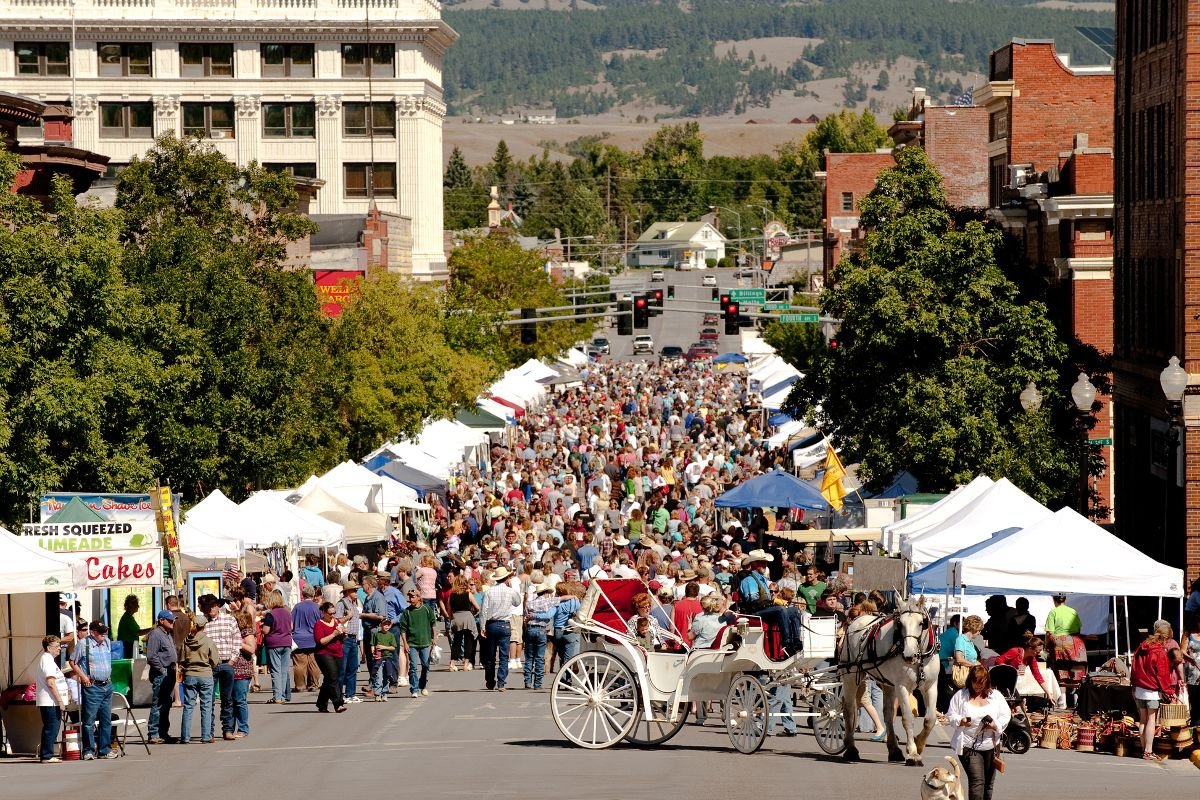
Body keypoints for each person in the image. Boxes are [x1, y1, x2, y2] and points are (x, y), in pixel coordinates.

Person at [946, 664, 1011, 800]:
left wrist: (995, 725)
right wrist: (961, 720)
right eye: (975, 683)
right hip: (969, 746)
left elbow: (1006, 715)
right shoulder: (961, 696)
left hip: (991, 746)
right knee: (977, 781)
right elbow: (951, 715)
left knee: (988, 784)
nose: (978, 686)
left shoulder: (996, 696)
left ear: (986, 681)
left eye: (981, 683)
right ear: (970, 680)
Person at [69, 620, 118, 760]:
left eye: (105, 631)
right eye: (100, 632)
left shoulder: (107, 642)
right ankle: (88, 750)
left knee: (106, 720)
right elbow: (73, 662)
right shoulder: (83, 644)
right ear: (92, 632)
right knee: (89, 721)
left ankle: (104, 750)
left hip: (107, 685)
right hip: (92, 686)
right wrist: (83, 676)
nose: (104, 634)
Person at [1130, 620, 1177, 761]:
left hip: (1139, 688)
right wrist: (1169, 691)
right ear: (1166, 638)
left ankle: (1144, 749)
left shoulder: (1142, 647)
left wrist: (1134, 684)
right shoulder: (1159, 652)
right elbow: (1162, 674)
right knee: (1151, 720)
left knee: (1142, 720)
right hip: (1152, 689)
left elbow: (1134, 666)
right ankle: (1148, 751)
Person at [200, 595, 240, 741]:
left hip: (226, 663)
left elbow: (237, 639)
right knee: (208, 700)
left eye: (212, 606)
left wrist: (232, 659)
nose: (210, 609)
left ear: (217, 606)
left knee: (227, 699)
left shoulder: (229, 620)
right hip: (209, 666)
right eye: (207, 607)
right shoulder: (203, 623)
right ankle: (208, 731)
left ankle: (227, 729)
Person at [479, 566, 522, 691]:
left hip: (491, 624)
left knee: (490, 655)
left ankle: (490, 680)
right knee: (504, 655)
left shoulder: (489, 592)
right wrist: (512, 588)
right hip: (505, 624)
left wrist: (482, 626)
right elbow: (517, 602)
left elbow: (483, 611)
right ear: (506, 578)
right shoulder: (510, 591)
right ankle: (501, 682)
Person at [179, 614, 218, 744]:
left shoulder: (186, 641)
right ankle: (206, 736)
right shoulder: (208, 641)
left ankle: (185, 737)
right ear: (204, 626)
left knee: (188, 706)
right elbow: (215, 660)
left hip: (190, 675)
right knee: (206, 706)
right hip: (205, 674)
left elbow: (182, 659)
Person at [145, 610, 178, 744]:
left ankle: (163, 732)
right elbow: (151, 656)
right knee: (158, 704)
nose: (172, 622)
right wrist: (162, 669)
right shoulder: (156, 634)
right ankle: (153, 733)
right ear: (161, 621)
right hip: (161, 674)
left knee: (166, 704)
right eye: (169, 620)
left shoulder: (168, 633)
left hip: (170, 672)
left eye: (172, 619)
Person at [35, 635, 67, 763]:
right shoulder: (47, 660)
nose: (59, 648)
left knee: (51, 727)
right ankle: (46, 755)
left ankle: (47, 754)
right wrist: (60, 701)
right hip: (50, 701)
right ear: (49, 648)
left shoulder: (48, 659)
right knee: (51, 727)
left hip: (50, 701)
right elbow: (51, 683)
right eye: (57, 646)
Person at [399, 588, 437, 698]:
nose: (410, 599)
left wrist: (434, 637)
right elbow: (403, 629)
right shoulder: (407, 612)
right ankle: (414, 688)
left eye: (413, 596)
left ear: (419, 598)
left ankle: (422, 685)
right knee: (413, 667)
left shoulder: (426, 609)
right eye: (409, 597)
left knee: (425, 665)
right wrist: (405, 643)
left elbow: (433, 623)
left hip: (425, 642)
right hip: (412, 644)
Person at [994, 634, 1052, 703]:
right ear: (1030, 648)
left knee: (1015, 703)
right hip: (999, 679)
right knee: (1011, 702)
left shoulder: (1031, 658)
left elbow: (1038, 675)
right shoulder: (1015, 651)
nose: (1039, 654)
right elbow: (998, 660)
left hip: (1010, 681)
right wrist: (1012, 671)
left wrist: (1048, 693)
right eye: (1037, 651)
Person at [1044, 593, 1088, 684]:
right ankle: (1077, 691)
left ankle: (1063, 692)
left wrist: (1046, 646)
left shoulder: (1053, 612)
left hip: (1060, 642)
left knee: (1062, 672)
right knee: (1078, 670)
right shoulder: (1073, 611)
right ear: (1065, 599)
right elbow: (1078, 629)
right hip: (1076, 642)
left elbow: (1049, 633)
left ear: (1054, 600)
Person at [313, 601, 347, 713]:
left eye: (334, 613)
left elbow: (342, 638)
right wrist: (333, 634)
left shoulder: (336, 621)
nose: (332, 615)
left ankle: (321, 703)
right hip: (324, 653)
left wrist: (343, 633)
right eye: (330, 613)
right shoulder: (319, 624)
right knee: (332, 677)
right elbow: (321, 641)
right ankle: (338, 703)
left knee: (330, 679)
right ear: (323, 612)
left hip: (337, 652)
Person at [260, 589, 293, 704]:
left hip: (274, 643)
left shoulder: (271, 614)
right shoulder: (287, 612)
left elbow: (266, 630)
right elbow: (291, 627)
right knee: (284, 671)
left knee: (275, 671)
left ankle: (277, 696)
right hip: (287, 642)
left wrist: (262, 627)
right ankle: (282, 695)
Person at [523, 580, 556, 689]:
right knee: (539, 657)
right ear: (545, 592)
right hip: (541, 629)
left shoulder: (530, 603)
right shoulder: (548, 603)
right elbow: (549, 615)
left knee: (529, 657)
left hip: (530, 629)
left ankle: (527, 681)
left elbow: (525, 618)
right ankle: (538, 683)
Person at [290, 585, 323, 692]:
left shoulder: (297, 607)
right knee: (314, 663)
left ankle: (300, 685)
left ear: (303, 594)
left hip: (299, 639)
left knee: (299, 664)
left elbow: (291, 624)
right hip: (313, 639)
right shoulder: (317, 607)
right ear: (313, 594)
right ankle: (313, 684)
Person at [230, 607, 256, 738]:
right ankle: (229, 729)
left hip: (242, 670)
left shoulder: (246, 632)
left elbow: (251, 649)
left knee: (240, 700)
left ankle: (243, 728)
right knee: (229, 701)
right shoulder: (229, 632)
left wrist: (239, 643)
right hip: (229, 669)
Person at [336, 581, 363, 702]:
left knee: (353, 667)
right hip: (345, 638)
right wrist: (347, 616)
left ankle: (350, 694)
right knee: (342, 668)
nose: (356, 592)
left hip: (354, 638)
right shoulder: (341, 604)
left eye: (356, 590)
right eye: (354, 590)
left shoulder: (353, 603)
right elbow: (337, 621)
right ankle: (339, 695)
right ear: (347, 592)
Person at [447, 575, 479, 672]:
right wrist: (474, 614)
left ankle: (452, 664)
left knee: (456, 642)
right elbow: (478, 607)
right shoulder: (468, 594)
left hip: (456, 618)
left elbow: (449, 611)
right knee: (468, 642)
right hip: (467, 618)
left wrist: (452, 618)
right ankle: (466, 664)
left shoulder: (451, 596)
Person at [370, 618, 399, 701]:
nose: (386, 626)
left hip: (388, 658)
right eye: (385, 624)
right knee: (379, 677)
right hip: (378, 659)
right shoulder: (376, 634)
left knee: (387, 676)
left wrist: (384, 647)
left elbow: (393, 647)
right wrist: (373, 652)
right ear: (381, 625)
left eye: (388, 625)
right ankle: (377, 694)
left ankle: (385, 693)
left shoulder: (391, 635)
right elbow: (372, 644)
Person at [115, 594, 149, 659]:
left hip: (129, 647)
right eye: (136, 604)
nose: (138, 606)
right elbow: (138, 632)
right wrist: (152, 629)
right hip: (127, 649)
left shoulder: (129, 617)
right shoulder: (127, 618)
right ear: (131, 605)